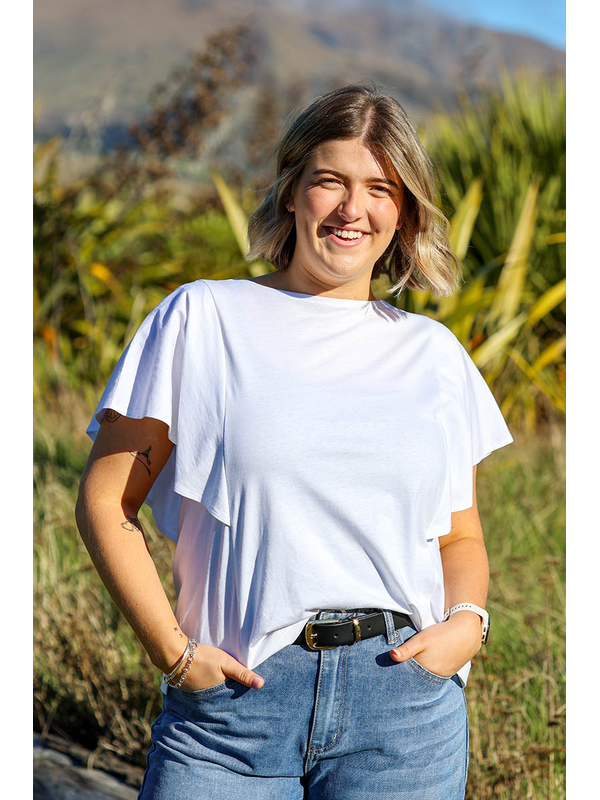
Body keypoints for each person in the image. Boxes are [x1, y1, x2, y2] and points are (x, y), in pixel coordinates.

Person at [76, 84, 514, 799]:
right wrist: (175, 654)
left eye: (380, 188)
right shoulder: (203, 318)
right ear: (290, 192)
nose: (353, 208)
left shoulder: (433, 355)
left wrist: (467, 625)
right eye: (331, 181)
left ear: (402, 211)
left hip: (402, 709)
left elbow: (460, 540)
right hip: (233, 712)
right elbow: (104, 501)